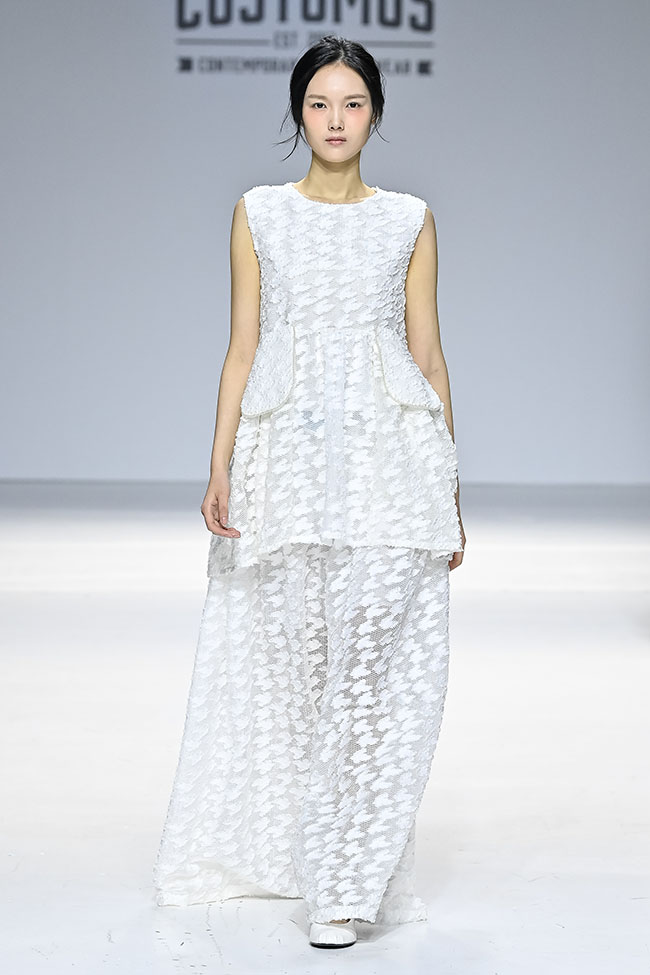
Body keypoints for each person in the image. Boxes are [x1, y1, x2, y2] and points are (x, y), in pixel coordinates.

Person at [153, 34, 466, 951]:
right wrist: (218, 464)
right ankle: (302, 852)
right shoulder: (259, 213)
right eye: (320, 103)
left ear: (375, 115)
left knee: (370, 670)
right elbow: (242, 347)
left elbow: (429, 353)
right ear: (299, 113)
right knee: (301, 672)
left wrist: (450, 485)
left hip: (392, 465)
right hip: (286, 463)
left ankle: (345, 882)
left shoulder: (409, 219)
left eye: (353, 103)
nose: (336, 119)